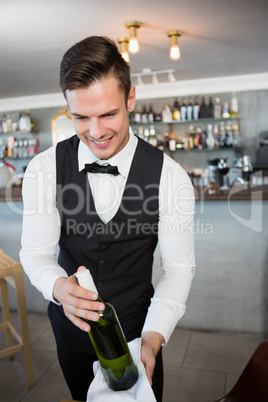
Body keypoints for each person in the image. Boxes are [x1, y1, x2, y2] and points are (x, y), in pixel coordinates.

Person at [20, 36, 196, 402]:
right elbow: (36, 253)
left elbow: (178, 270)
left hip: (138, 332)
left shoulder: (170, 176)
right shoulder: (43, 169)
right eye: (81, 117)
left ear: (130, 99)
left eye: (108, 114)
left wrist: (153, 337)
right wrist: (58, 288)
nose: (96, 132)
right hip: (72, 333)